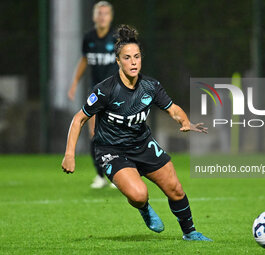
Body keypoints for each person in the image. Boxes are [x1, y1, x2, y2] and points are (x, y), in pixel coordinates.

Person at [61, 24, 212, 241]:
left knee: (175, 189)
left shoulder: (150, 86)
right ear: (118, 61)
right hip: (111, 149)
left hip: (142, 144)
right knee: (139, 194)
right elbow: (79, 118)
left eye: (137, 57)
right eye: (127, 57)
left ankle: (190, 233)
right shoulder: (105, 90)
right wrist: (69, 154)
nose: (133, 62)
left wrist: (185, 121)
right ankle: (143, 208)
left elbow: (173, 109)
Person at [68, 1, 118, 189]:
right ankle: (100, 175)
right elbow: (84, 60)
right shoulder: (88, 37)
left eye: (105, 13)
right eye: (99, 13)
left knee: (116, 132)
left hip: (115, 91)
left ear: (110, 17)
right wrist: (74, 83)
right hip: (96, 92)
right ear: (94, 16)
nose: (102, 16)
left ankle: (116, 173)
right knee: (93, 133)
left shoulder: (117, 38)